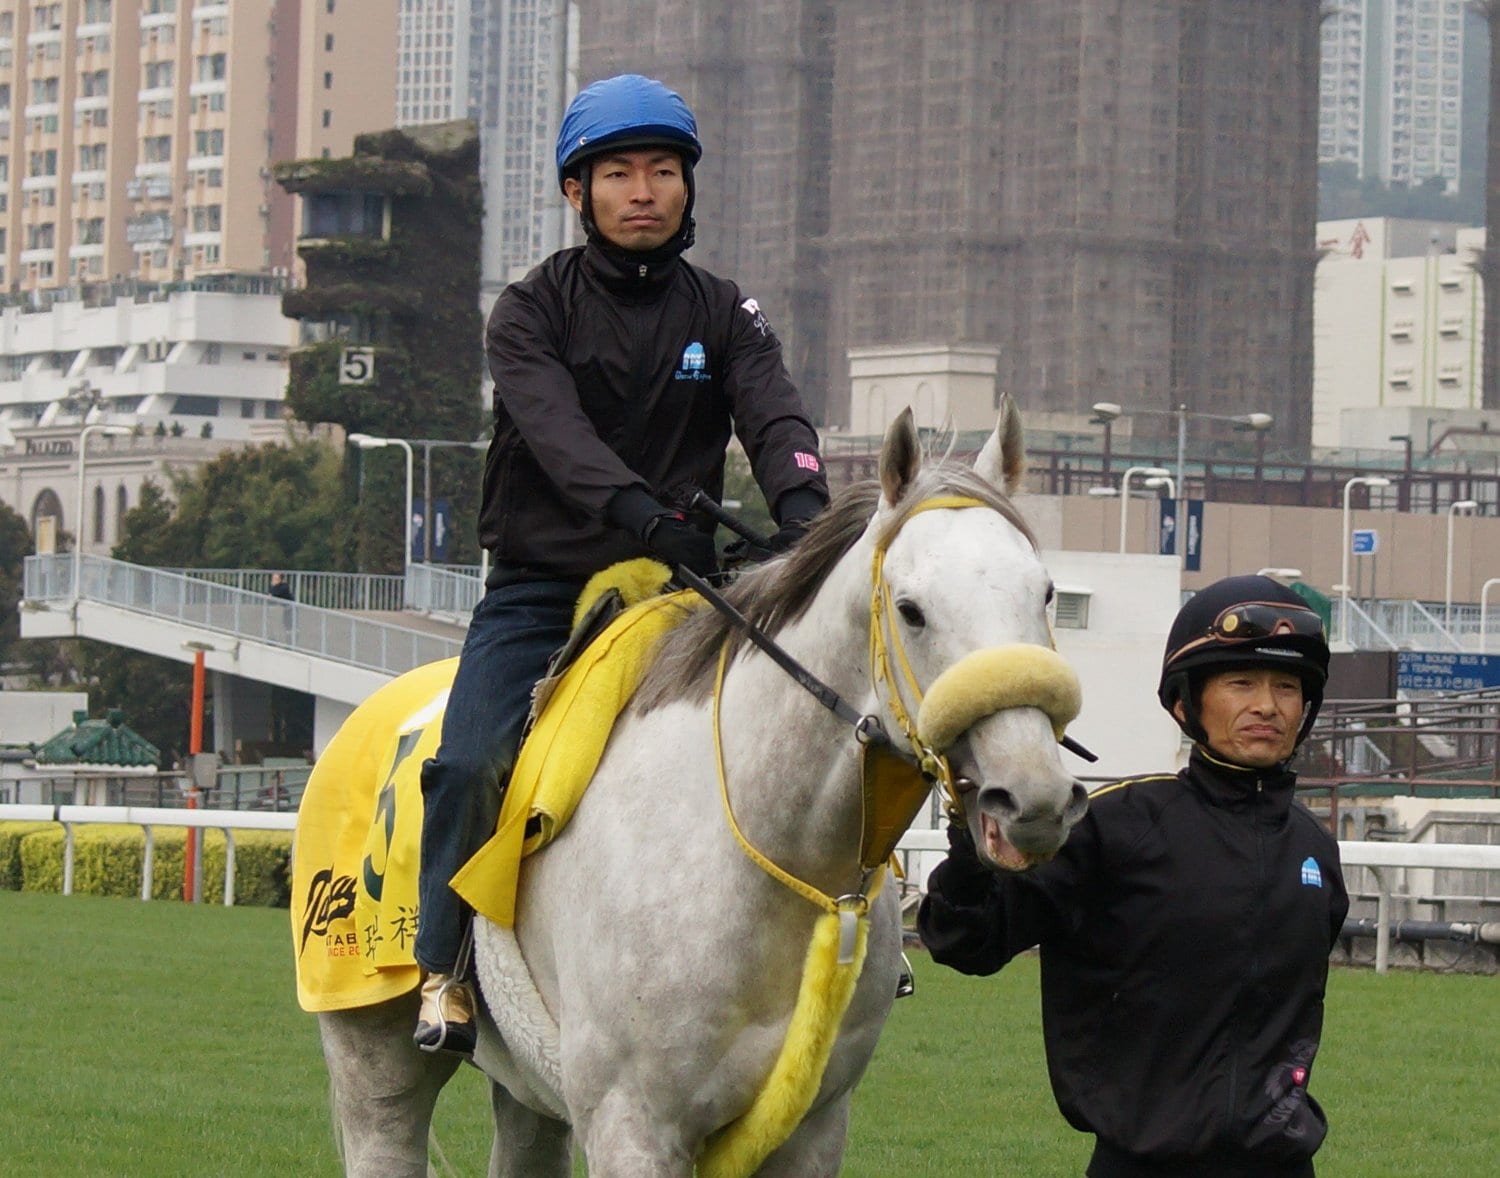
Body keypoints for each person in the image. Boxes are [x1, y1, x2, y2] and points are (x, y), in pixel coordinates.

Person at [412, 73, 830, 1054]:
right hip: (543, 590)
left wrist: (808, 518)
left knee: (818, 716)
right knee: (470, 761)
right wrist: (640, 513)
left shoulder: (727, 312)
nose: (643, 189)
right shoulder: (527, 311)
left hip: (681, 592)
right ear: (576, 193)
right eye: (617, 172)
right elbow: (556, 435)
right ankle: (443, 965)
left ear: (688, 186)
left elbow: (775, 413)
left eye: (662, 170)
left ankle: (851, 934)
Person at [918, 575, 1349, 1177]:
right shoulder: (1116, 826)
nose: (1267, 706)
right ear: (1184, 702)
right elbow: (968, 941)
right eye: (1241, 683)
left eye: (1287, 686)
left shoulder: (1314, 850)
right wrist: (970, 835)